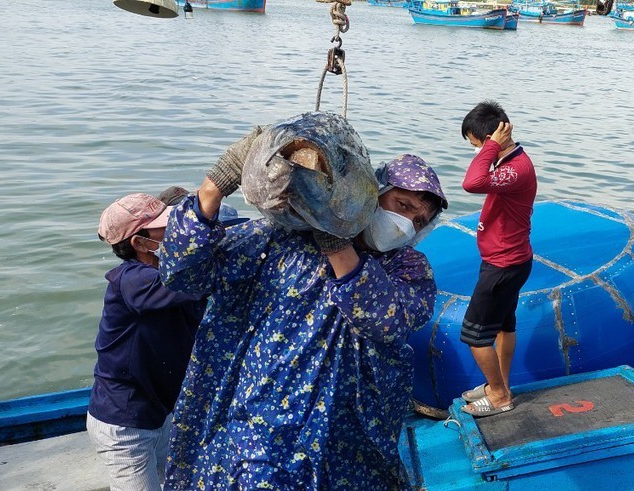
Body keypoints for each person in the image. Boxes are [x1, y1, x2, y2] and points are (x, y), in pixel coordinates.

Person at [158, 134, 448, 490]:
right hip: (265, 431)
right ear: (373, 192)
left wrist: (337, 244)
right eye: (402, 205)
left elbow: (386, 321)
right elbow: (184, 272)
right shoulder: (280, 236)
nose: (406, 224)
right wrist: (215, 186)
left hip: (352, 444)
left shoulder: (408, 268)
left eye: (419, 221)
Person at [87, 193, 206, 491]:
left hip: (161, 412)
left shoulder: (162, 278)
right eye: (166, 228)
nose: (177, 231)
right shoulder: (133, 281)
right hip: (124, 422)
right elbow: (194, 278)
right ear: (140, 243)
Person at [458, 100, 537, 418]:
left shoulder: (515, 169)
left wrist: (490, 147)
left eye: (475, 145)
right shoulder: (513, 162)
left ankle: (500, 395)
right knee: (504, 326)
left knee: (475, 336)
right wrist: (493, 148)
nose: (477, 153)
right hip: (512, 259)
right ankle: (499, 383)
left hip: (503, 266)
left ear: (493, 138)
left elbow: (471, 183)